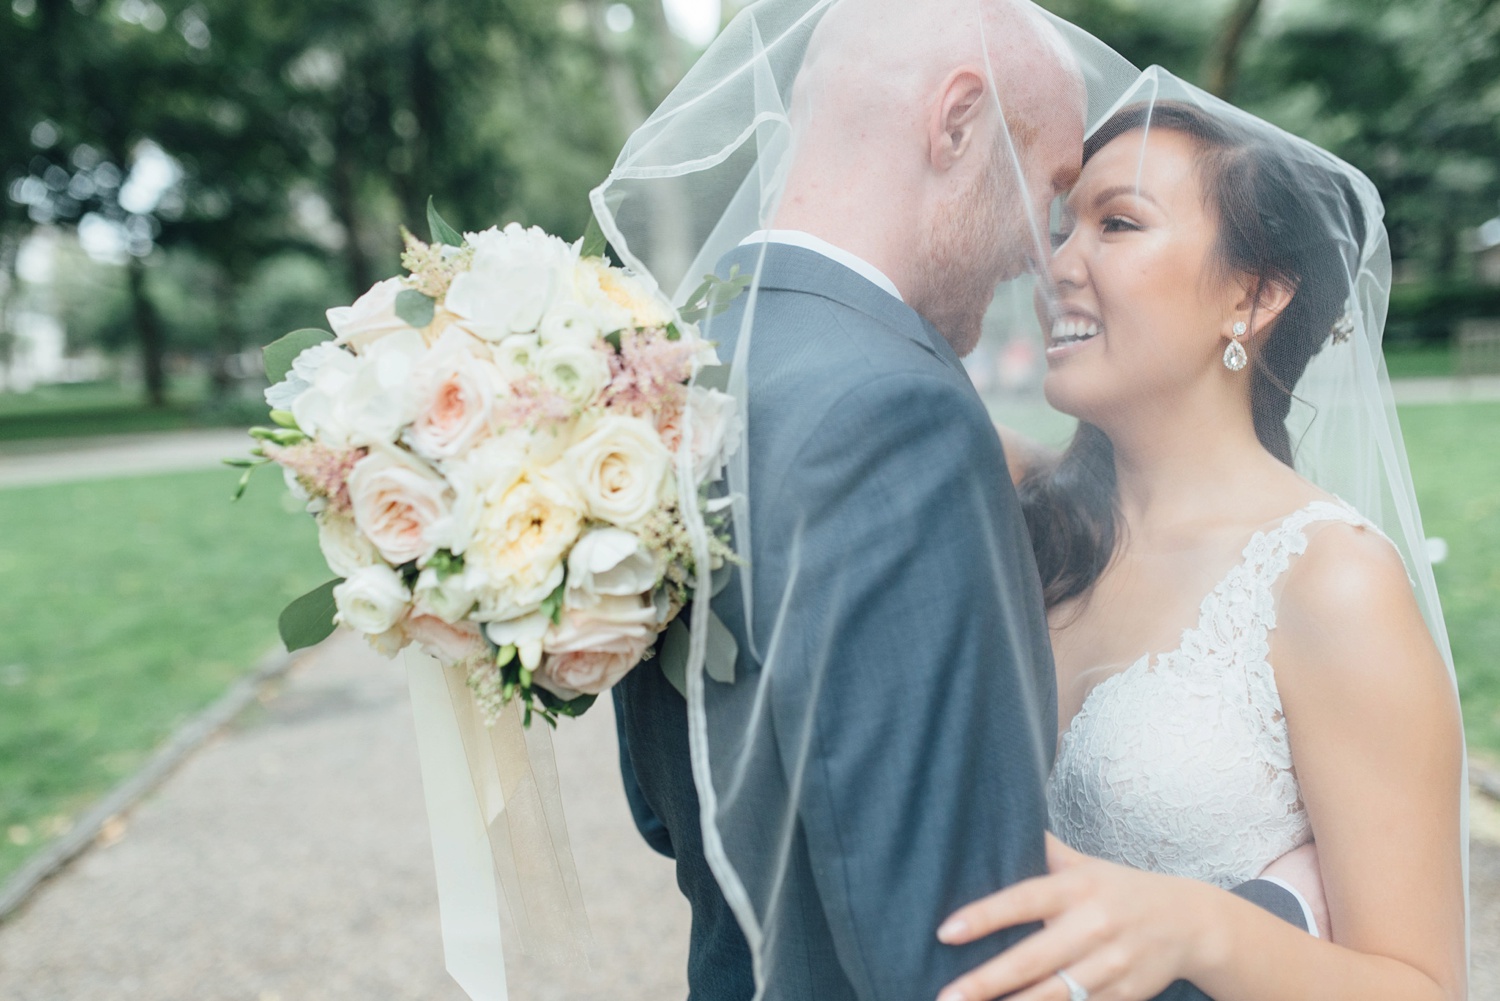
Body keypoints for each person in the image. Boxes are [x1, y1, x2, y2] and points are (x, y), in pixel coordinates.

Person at [595, 3, 1325, 999]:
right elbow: (963, 967)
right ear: (956, 122)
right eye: (1056, 190)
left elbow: (666, 808)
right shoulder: (900, 413)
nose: (1048, 255)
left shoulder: (684, 370)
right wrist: (1275, 914)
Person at [933, 89, 1468, 1001]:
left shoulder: (1328, 579)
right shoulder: (1015, 507)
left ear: (1253, 294)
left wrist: (1202, 927)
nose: (1058, 263)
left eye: (1118, 224)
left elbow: (1421, 984)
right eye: (1063, 228)